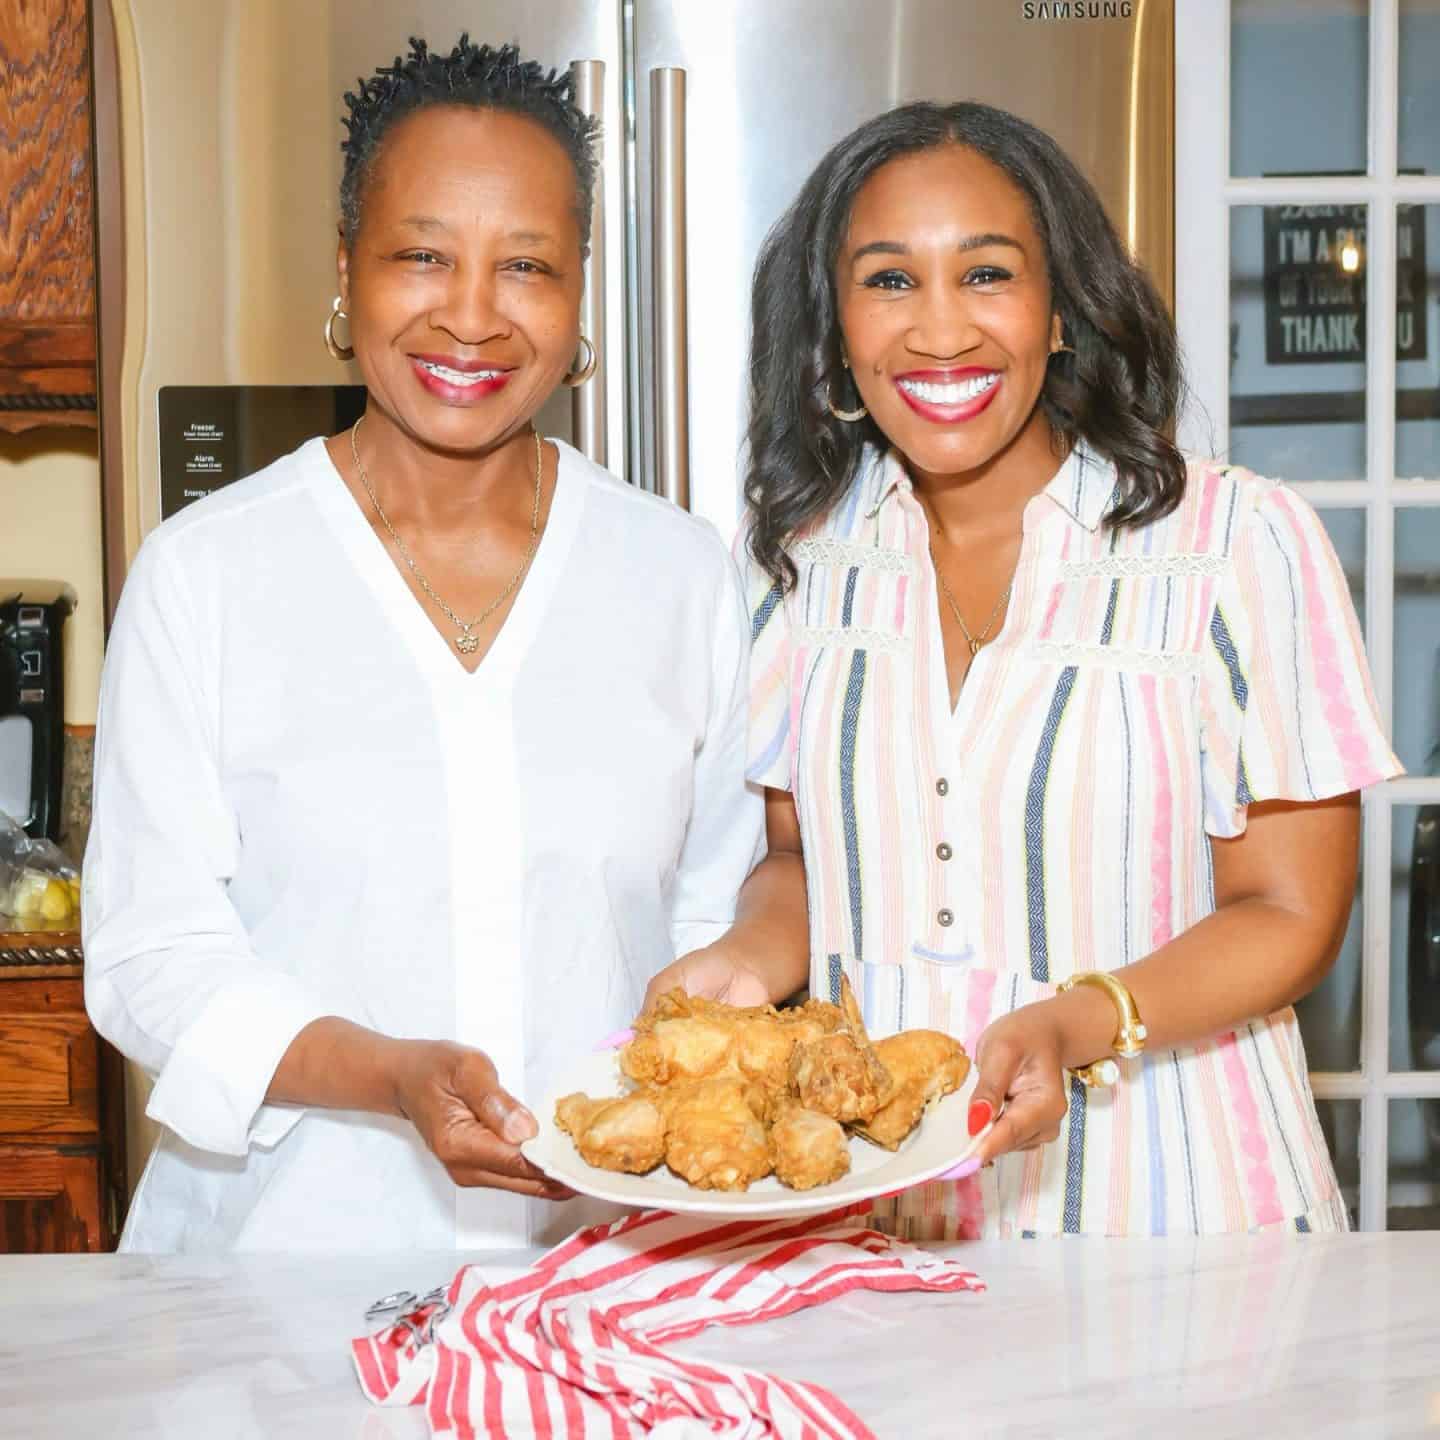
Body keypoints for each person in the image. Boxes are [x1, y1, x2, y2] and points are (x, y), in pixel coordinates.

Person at [647, 101, 1402, 1237]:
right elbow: (803, 864)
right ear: (836, 325)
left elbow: (1291, 909)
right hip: (892, 1218)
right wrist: (745, 964)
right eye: (890, 281)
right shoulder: (796, 570)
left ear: (1061, 314)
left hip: (1185, 1212)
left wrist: (1077, 1020)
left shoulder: (1235, 544)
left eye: (988, 274)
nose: (940, 332)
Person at [83, 37, 764, 1252]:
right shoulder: (209, 574)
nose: (472, 314)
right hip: (279, 1282)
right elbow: (149, 955)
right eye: (423, 255)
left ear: (580, 296)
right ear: (346, 270)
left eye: (527, 267)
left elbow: (720, 918)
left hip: (602, 1280)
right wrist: (384, 1073)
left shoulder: (680, 578)